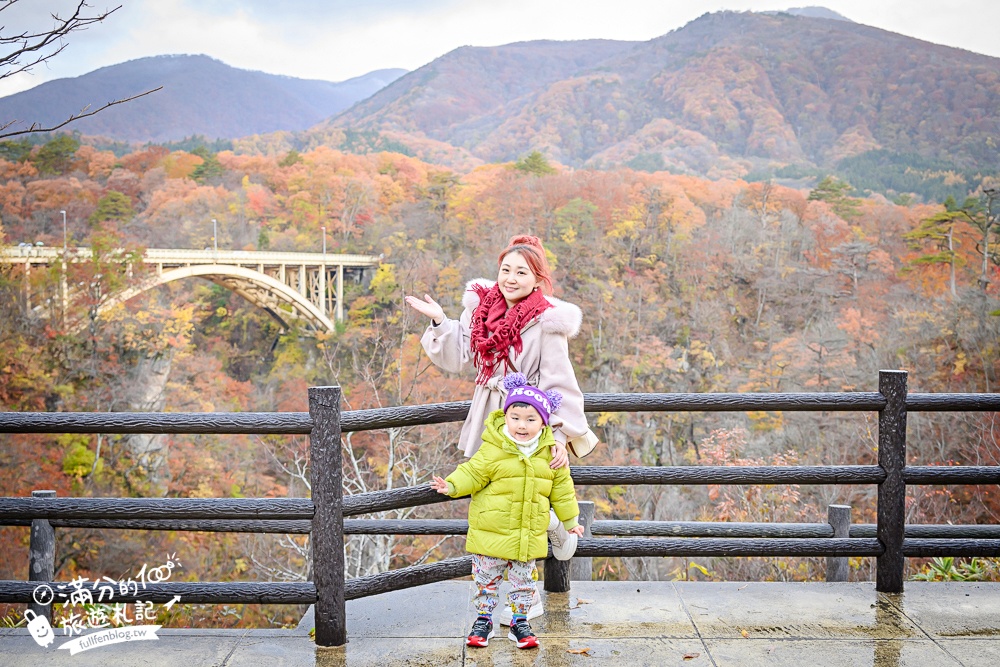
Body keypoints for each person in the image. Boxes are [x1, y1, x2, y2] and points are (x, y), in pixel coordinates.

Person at [405, 234, 599, 624]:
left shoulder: (546, 321)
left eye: (521, 272)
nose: (511, 278)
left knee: (524, 495)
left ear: (537, 278)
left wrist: (557, 436)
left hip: (528, 418)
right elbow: (461, 355)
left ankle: (527, 598)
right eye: (506, 270)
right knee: (499, 498)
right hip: (491, 416)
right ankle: (547, 540)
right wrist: (440, 319)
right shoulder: (481, 309)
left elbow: (559, 383)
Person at [430, 374, 585, 649]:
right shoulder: (495, 448)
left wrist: (570, 521)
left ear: (543, 422)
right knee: (486, 580)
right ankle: (483, 620)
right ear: (506, 416)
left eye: (530, 419)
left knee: (524, 582)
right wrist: (452, 484)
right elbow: (473, 471)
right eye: (515, 417)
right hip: (491, 531)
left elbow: (563, 490)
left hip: (527, 535)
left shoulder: (550, 454)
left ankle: (520, 622)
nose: (521, 425)